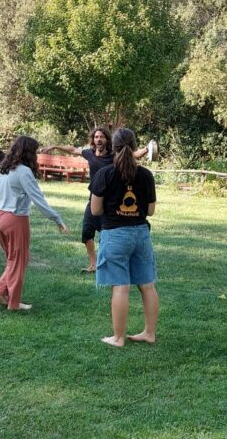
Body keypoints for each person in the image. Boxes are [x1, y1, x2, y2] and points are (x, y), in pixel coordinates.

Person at [40, 126, 149, 274]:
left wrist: (148, 149)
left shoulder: (114, 154)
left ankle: (110, 263)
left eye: (101, 137)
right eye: (96, 137)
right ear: (93, 139)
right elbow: (73, 150)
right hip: (93, 200)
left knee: (107, 233)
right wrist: (55, 146)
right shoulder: (89, 154)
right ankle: (94, 264)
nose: (98, 139)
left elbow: (134, 154)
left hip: (109, 202)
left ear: (107, 139)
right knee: (86, 233)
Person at [91, 128, 159, 347]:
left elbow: (95, 210)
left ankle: (118, 338)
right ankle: (149, 333)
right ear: (135, 146)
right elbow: (150, 211)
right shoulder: (146, 175)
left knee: (121, 286)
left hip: (115, 235)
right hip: (141, 234)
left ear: (113, 147)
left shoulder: (105, 174)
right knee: (147, 285)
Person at [0, 136, 69, 311]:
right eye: (34, 151)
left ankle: (1, 291)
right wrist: (57, 219)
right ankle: (12, 301)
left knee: (14, 259)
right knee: (18, 260)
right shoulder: (23, 171)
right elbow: (38, 199)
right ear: (28, 152)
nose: (36, 155)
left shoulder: (3, 169)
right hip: (15, 219)